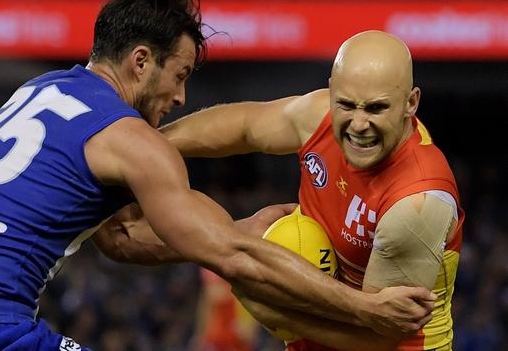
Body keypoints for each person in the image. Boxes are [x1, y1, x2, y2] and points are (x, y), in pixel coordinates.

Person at [0, 0, 434, 349]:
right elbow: (231, 260)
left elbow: (119, 238)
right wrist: (365, 307)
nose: (182, 97)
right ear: (142, 61)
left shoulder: (40, 93)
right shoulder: (128, 139)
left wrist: (232, 230)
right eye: (180, 74)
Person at [161, 30, 463, 350]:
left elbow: (379, 336)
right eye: (346, 105)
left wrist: (279, 312)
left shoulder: (417, 202)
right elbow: (246, 126)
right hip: (320, 333)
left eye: (376, 109)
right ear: (331, 93)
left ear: (411, 103)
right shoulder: (320, 117)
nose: (359, 124)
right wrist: (147, 144)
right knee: (293, 239)